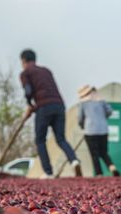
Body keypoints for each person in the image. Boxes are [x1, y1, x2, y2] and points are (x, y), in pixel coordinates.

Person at [19, 49, 81, 178]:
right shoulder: (46, 71)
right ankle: (74, 160)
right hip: (59, 105)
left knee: (40, 140)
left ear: (24, 61)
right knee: (61, 139)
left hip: (43, 107)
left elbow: (28, 90)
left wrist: (29, 104)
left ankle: (48, 172)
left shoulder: (25, 73)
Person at [77, 85, 120, 177]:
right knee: (103, 152)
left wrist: (82, 126)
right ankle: (112, 167)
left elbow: (80, 118)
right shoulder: (101, 100)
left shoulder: (83, 103)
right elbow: (109, 111)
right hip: (103, 129)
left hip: (90, 130)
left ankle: (99, 173)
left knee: (94, 154)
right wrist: (102, 117)